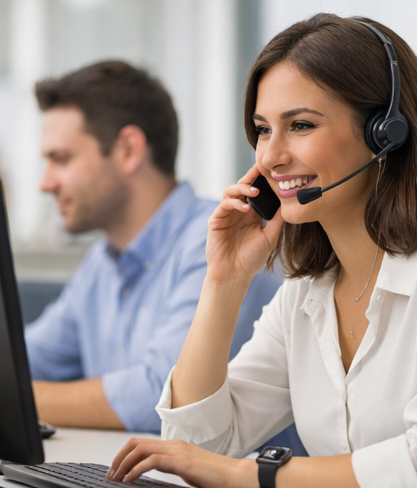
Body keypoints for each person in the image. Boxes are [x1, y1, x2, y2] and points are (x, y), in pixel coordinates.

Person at [107, 15, 417, 488]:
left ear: (385, 133)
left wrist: (246, 475)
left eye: (300, 125)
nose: (270, 156)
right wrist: (224, 282)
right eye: (261, 130)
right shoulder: (307, 293)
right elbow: (193, 448)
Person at [25, 61, 287, 440]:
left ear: (129, 150)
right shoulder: (101, 262)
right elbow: (24, 359)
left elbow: (159, 395)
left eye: (61, 159)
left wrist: (17, 398)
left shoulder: (218, 240)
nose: (45, 183)